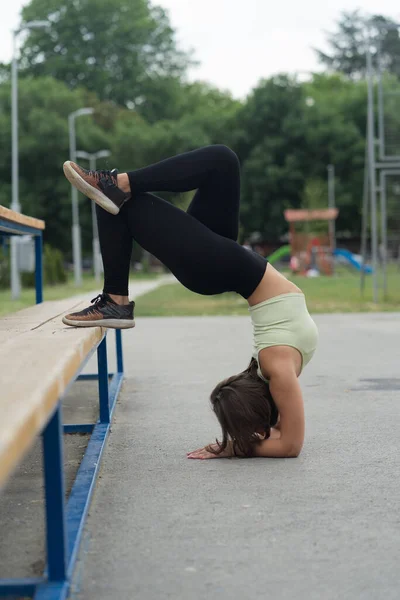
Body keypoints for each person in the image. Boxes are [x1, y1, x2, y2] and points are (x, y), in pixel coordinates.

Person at [62, 145, 318, 460]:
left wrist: (234, 447)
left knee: (114, 201)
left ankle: (116, 298)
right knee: (223, 161)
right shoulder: (278, 372)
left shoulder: (276, 368)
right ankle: (119, 185)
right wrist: (246, 439)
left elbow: (289, 445)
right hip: (223, 265)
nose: (233, 379)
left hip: (214, 269)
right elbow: (286, 440)